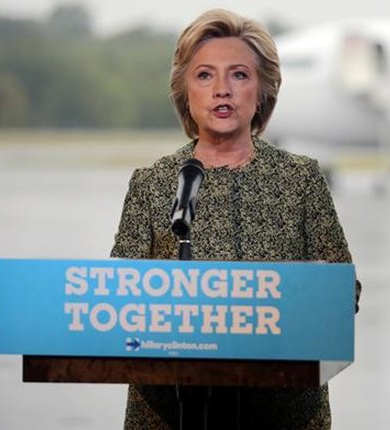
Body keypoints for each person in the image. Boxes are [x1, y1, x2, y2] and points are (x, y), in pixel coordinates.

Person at [110, 8, 361, 429]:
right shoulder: (152, 183)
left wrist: (298, 290)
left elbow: (344, 293)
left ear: (262, 90)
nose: (222, 90)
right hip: (171, 412)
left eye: (239, 75)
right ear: (184, 91)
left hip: (284, 410)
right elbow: (119, 298)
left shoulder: (301, 179)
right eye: (205, 76)